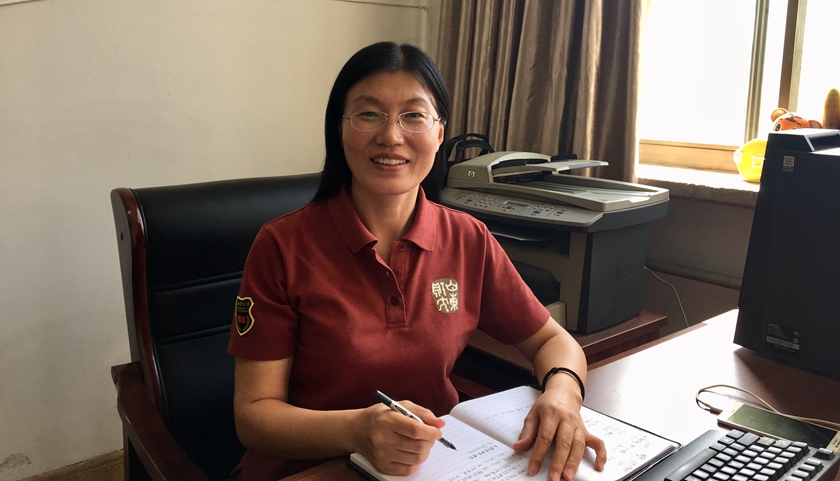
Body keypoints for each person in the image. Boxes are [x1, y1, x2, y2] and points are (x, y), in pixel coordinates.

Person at [227, 41, 607, 481]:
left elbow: (552, 341)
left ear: (440, 133)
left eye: (413, 115)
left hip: (435, 466)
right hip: (311, 470)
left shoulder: (467, 238)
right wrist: (357, 431)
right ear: (340, 129)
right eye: (369, 114)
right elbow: (253, 416)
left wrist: (562, 392)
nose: (391, 136)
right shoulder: (283, 245)